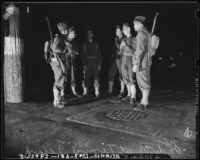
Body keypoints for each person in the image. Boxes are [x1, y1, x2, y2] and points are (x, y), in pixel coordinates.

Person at [44, 22, 69, 108]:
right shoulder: (58, 38)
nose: (66, 32)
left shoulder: (61, 38)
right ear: (63, 31)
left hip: (59, 61)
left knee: (61, 79)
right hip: (56, 62)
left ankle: (59, 99)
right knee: (59, 80)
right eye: (65, 30)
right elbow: (54, 48)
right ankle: (56, 101)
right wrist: (63, 50)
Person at [132, 16, 152, 110]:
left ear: (139, 24)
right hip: (147, 61)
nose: (133, 26)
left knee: (143, 81)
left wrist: (136, 64)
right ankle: (145, 101)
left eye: (134, 24)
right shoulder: (147, 33)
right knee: (145, 80)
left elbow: (139, 50)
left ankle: (144, 103)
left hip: (142, 62)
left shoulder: (140, 34)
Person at [80, 29, 102, 97]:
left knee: (96, 77)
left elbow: (99, 55)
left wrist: (99, 64)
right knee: (86, 77)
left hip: (95, 62)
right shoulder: (84, 44)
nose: (90, 35)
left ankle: (97, 91)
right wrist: (84, 65)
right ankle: (85, 92)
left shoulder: (96, 44)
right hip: (87, 63)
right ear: (87, 35)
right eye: (88, 34)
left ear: (93, 35)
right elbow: (82, 56)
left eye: (91, 34)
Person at [120, 23, 137, 105]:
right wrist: (121, 47)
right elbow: (120, 50)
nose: (123, 31)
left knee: (131, 79)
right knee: (126, 78)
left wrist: (125, 46)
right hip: (123, 60)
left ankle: (133, 97)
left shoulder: (134, 39)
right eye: (123, 29)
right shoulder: (123, 39)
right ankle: (129, 95)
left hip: (131, 60)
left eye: (124, 29)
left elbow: (134, 52)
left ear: (129, 29)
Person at [107, 25, 125, 97]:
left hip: (121, 59)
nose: (116, 32)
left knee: (121, 75)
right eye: (116, 30)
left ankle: (122, 91)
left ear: (122, 31)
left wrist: (116, 41)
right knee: (110, 74)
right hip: (114, 59)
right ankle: (110, 90)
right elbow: (113, 50)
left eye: (117, 30)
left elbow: (120, 49)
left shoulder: (124, 39)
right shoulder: (116, 39)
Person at [66, 27, 81, 97]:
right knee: (64, 76)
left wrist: (72, 47)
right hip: (66, 61)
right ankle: (62, 94)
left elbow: (77, 52)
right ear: (69, 33)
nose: (75, 34)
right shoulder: (64, 41)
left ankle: (74, 92)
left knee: (73, 76)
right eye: (73, 33)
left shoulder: (73, 42)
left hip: (73, 61)